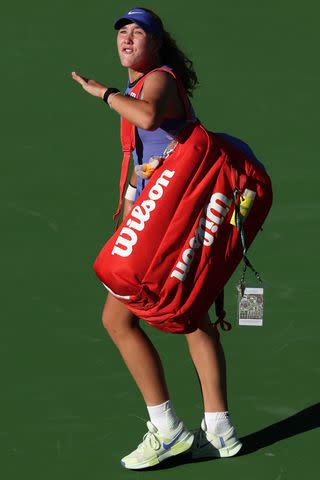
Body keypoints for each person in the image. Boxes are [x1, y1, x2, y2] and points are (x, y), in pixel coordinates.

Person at [71, 7, 242, 470]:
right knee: (192, 318)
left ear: (157, 44)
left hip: (169, 225)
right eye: (122, 32)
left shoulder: (156, 82)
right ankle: (220, 430)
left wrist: (102, 93)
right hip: (162, 219)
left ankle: (167, 429)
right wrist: (127, 221)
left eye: (137, 32)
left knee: (118, 320)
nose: (127, 39)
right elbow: (142, 166)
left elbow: (147, 120)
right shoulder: (137, 87)